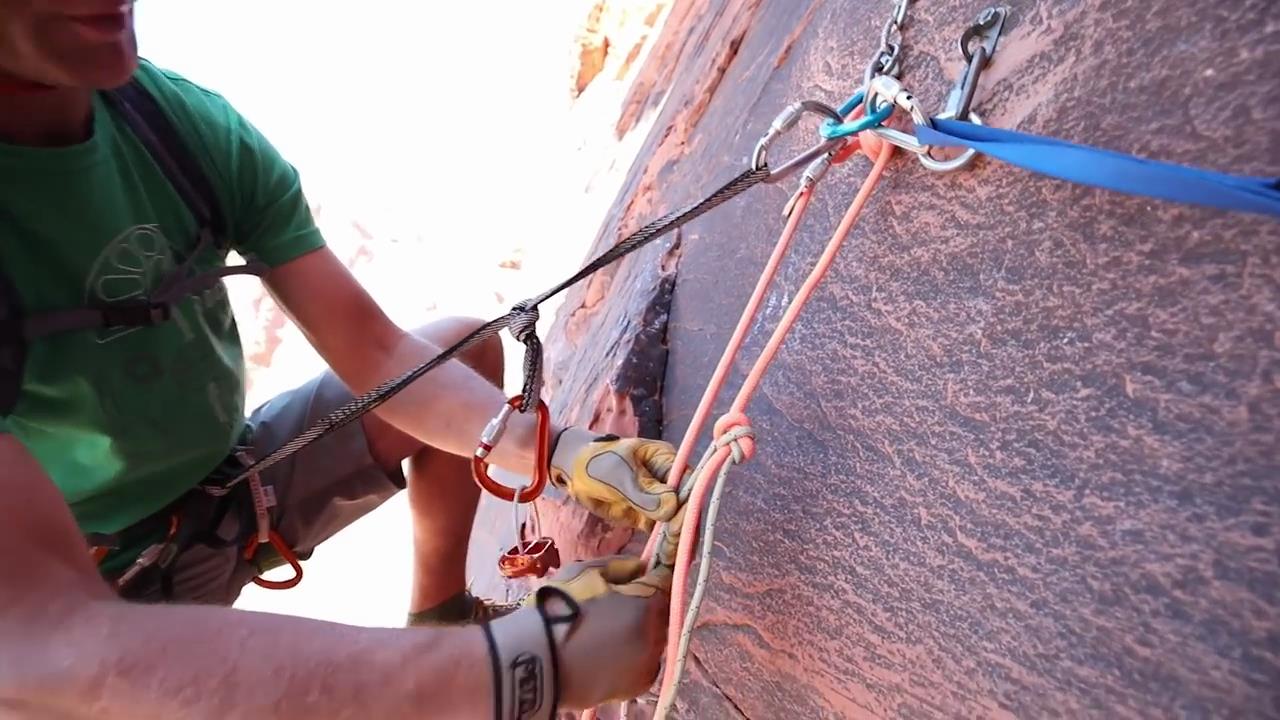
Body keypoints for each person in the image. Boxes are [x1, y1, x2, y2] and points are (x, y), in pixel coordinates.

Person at [0, 2, 687, 718]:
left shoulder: (172, 127)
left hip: (237, 489)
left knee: (462, 346)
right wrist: (518, 670)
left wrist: (560, 453)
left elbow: (377, 349)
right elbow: (46, 642)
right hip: (107, 581)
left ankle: (442, 614)